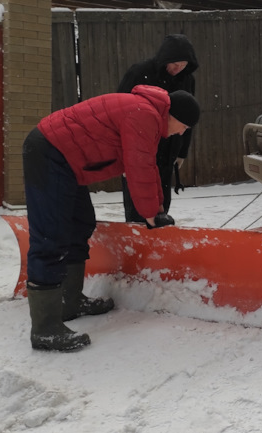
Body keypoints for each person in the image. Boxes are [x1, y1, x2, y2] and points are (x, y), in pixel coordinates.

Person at [22, 85, 200, 352]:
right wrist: (151, 215)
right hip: (50, 153)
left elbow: (146, 165)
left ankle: (70, 302)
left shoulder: (146, 112)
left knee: (80, 223)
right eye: (184, 125)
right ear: (172, 114)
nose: (182, 132)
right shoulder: (144, 114)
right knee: (52, 234)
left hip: (67, 161)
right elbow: (138, 167)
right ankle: (45, 329)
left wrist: (157, 209)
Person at [117, 34, 199, 224]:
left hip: (168, 150)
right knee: (138, 205)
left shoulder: (187, 80)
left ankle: (157, 241)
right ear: (165, 59)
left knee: (161, 203)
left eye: (184, 65)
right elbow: (120, 110)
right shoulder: (139, 73)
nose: (178, 69)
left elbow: (188, 118)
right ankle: (136, 243)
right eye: (175, 64)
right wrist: (123, 153)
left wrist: (182, 152)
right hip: (138, 148)